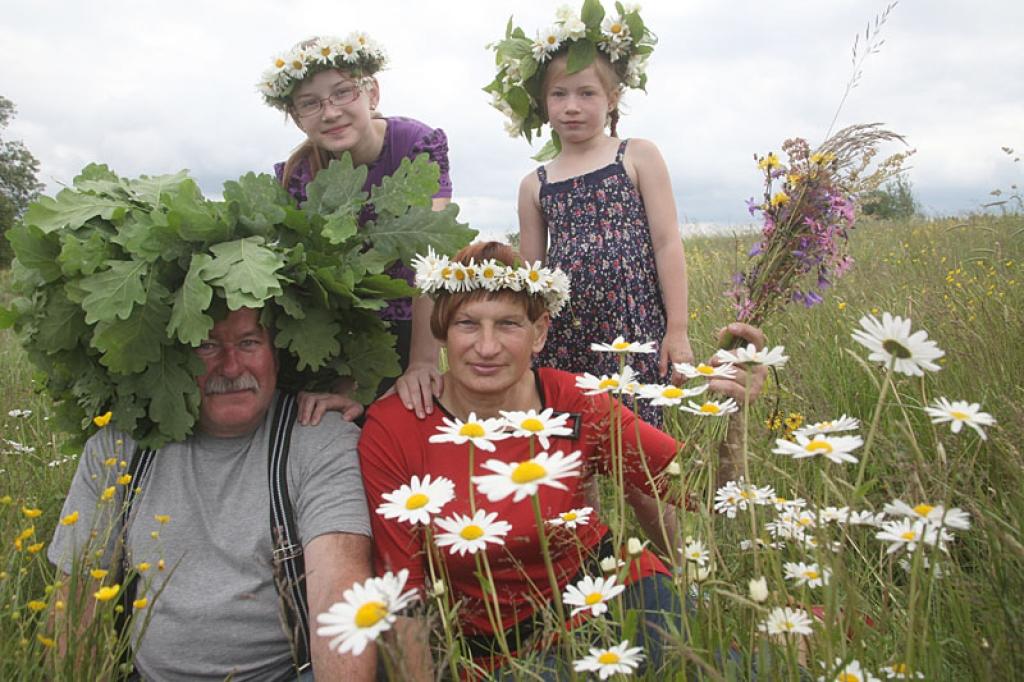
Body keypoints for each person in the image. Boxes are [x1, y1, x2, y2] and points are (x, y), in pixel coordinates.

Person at [358, 242, 766, 679]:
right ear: (441, 330)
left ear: (539, 332)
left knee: (733, 672)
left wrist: (733, 414)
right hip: (500, 653)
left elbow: (703, 493)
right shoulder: (395, 427)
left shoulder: (575, 400)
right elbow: (407, 595)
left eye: (509, 324)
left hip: (615, 596)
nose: (488, 346)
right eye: (468, 324)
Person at [48, 307, 375, 681]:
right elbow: (74, 609)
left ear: (276, 355)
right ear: (173, 358)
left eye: (249, 342)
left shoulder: (317, 437)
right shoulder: (119, 447)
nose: (232, 368)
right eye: (206, 346)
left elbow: (340, 597)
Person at [501, 4, 693, 426]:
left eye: (586, 93)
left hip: (635, 327)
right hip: (568, 333)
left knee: (641, 444)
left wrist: (675, 329)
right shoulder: (535, 183)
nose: (572, 106)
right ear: (542, 102)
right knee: (574, 440)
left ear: (612, 97)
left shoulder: (636, 155)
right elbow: (534, 276)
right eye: (559, 94)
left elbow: (666, 241)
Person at [257, 32, 453, 423]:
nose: (329, 113)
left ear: (372, 93)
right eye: (310, 104)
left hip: (405, 325)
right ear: (297, 118)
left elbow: (429, 258)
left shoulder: (414, 144)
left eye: (343, 93)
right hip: (337, 334)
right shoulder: (298, 175)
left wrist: (422, 362)